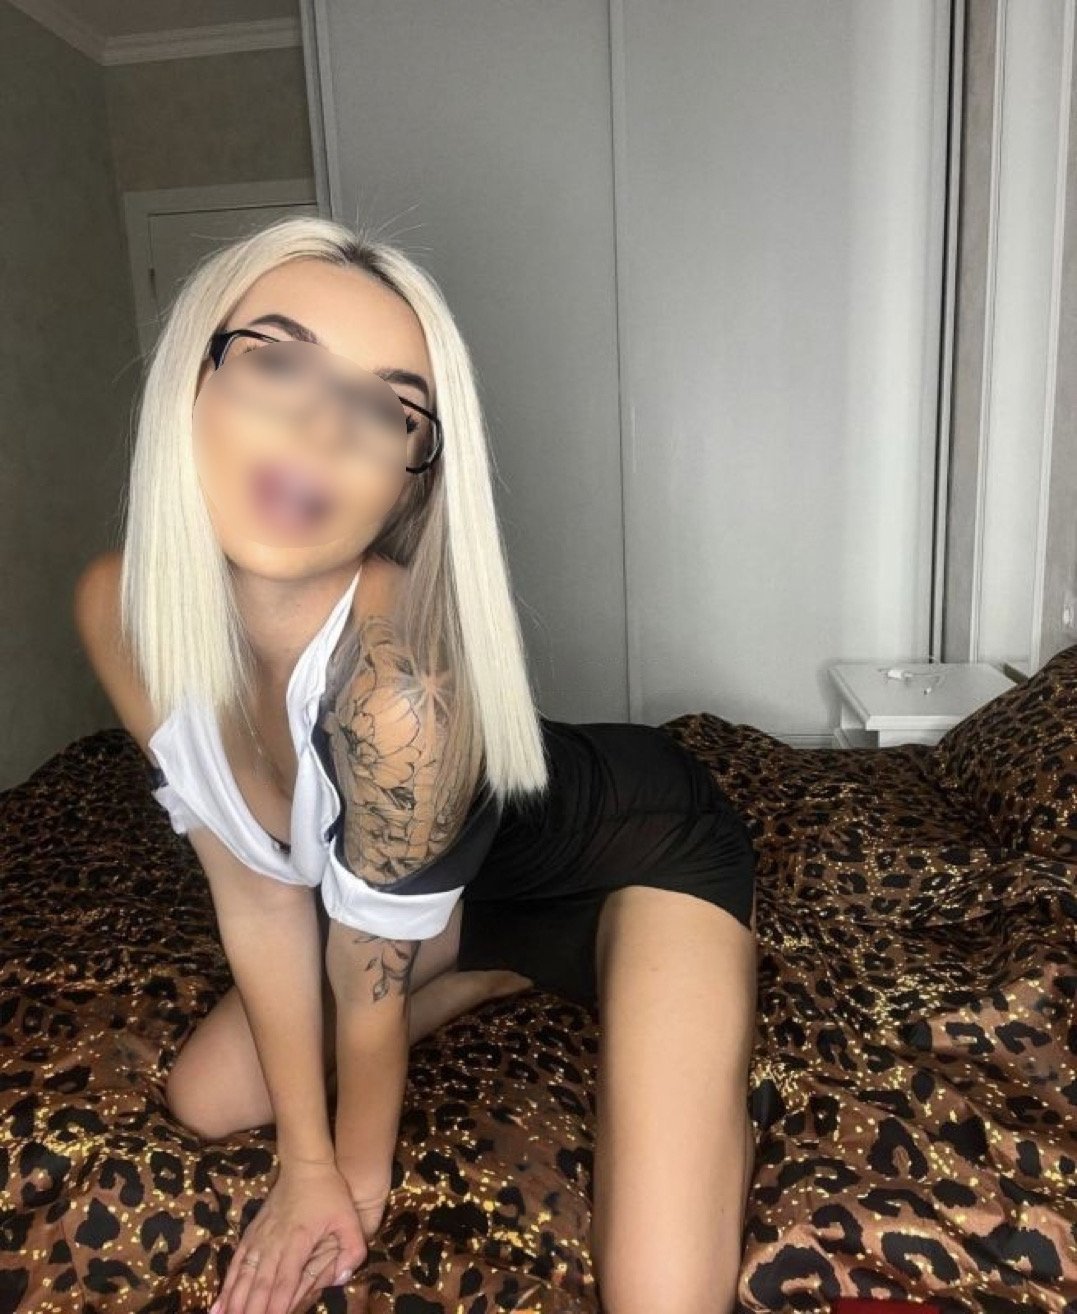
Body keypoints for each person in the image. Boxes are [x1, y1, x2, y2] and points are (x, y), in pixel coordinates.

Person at [74, 215, 758, 1314]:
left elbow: (365, 978)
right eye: (276, 361)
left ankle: (587, 966)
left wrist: (350, 1180)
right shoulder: (119, 609)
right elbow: (255, 894)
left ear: (409, 480)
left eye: (385, 408)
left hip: (638, 850)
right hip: (453, 901)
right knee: (205, 1101)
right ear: (189, 381)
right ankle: (499, 966)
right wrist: (300, 1165)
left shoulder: (397, 691)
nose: (321, 429)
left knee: (660, 1299)